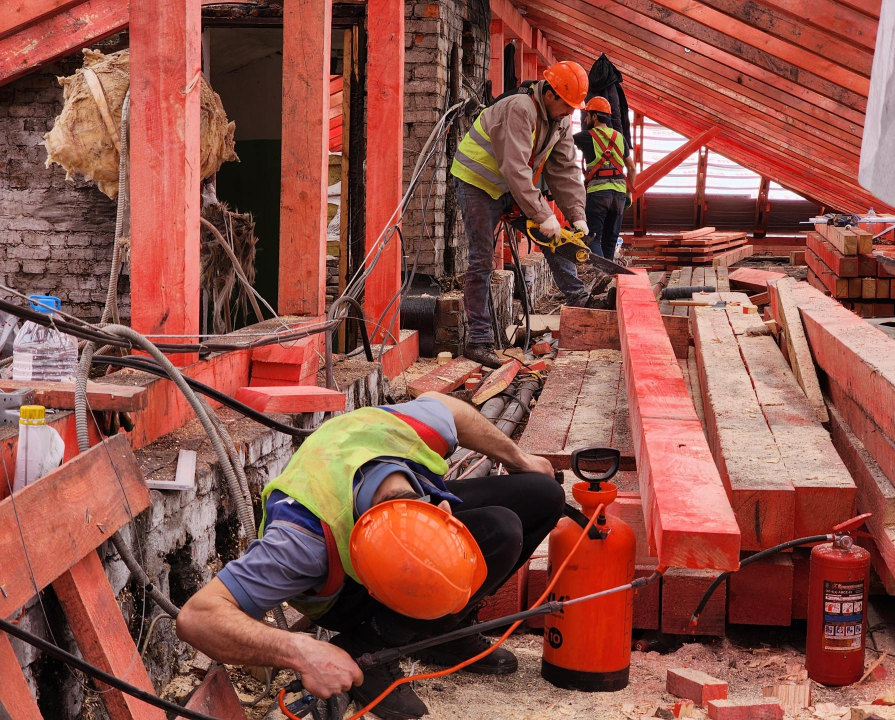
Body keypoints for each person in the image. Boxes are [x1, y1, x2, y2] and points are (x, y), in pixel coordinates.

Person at [176, 392, 563, 720]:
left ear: (439, 510)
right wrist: (301, 651)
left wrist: (519, 459)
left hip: (382, 503)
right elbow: (197, 617)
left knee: (541, 497)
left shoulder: (408, 431)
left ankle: (441, 634)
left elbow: (450, 408)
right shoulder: (302, 542)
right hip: (345, 596)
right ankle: (369, 645)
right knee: (500, 532)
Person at [451, 61, 593, 369]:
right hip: (477, 182)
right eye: (567, 106)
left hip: (509, 185)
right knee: (481, 259)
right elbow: (514, 168)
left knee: (557, 239)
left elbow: (565, 169)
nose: (570, 113)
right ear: (550, 95)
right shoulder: (519, 108)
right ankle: (478, 341)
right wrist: (543, 213)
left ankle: (580, 301)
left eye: (574, 108)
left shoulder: (560, 122)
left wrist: (576, 215)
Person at [573, 96, 637, 260]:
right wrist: (629, 194)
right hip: (619, 195)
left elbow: (561, 142)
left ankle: (601, 271)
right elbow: (631, 168)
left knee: (593, 238)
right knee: (610, 240)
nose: (585, 119)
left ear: (594, 116)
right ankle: (608, 273)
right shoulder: (620, 137)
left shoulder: (585, 137)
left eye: (587, 115)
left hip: (598, 193)